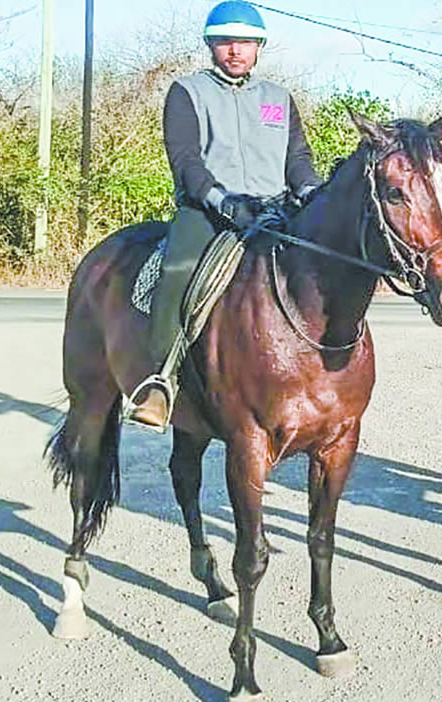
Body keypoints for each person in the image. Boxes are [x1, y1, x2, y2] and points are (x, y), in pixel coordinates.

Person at [126, 0, 321, 430]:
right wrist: (220, 199)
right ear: (211, 45)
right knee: (178, 271)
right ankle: (161, 379)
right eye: (226, 42)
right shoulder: (188, 92)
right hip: (209, 213)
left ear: (258, 47)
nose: (235, 50)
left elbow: (298, 159)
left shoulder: (278, 99)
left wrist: (311, 190)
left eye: (245, 42)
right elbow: (186, 160)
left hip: (274, 210)